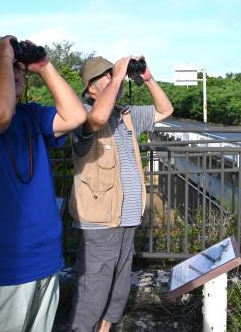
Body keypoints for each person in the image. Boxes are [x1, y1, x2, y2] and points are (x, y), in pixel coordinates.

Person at [0, 35, 87, 331]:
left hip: (43, 263)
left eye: (17, 68)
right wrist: (6, 57)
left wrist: (44, 65)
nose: (13, 72)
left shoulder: (31, 116)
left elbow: (75, 115)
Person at [67, 55, 174, 332]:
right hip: (100, 220)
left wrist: (147, 78)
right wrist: (118, 76)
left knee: (118, 287)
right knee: (93, 291)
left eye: (112, 74)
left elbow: (165, 110)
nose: (113, 77)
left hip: (127, 217)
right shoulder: (82, 114)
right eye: (105, 76)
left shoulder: (124, 115)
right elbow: (97, 118)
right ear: (90, 88)